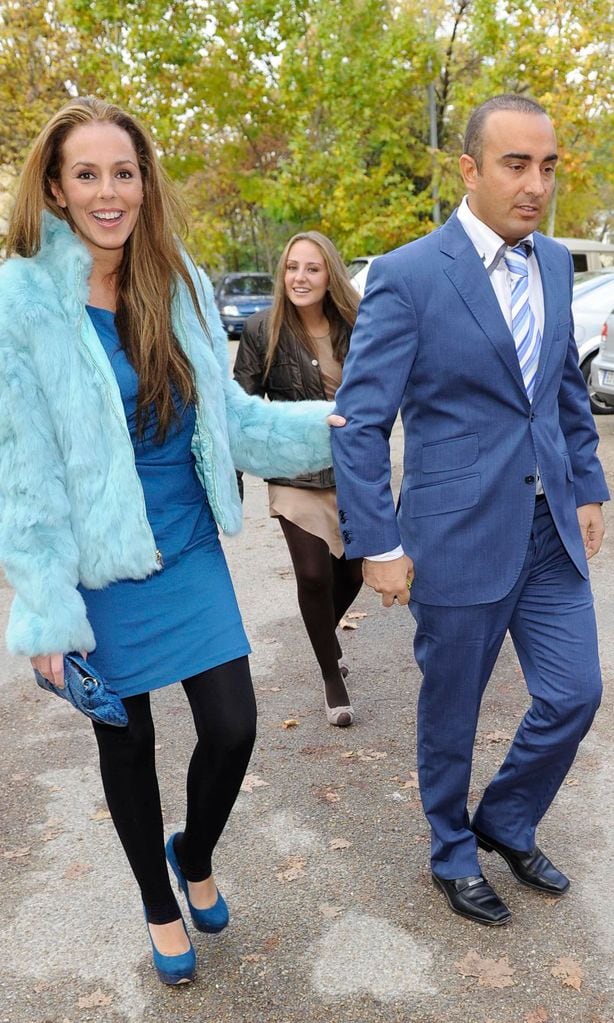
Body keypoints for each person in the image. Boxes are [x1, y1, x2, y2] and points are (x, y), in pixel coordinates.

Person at [0, 97, 345, 984]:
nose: (109, 191)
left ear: (145, 182)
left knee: (233, 727)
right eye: (88, 174)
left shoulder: (181, 280)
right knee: (128, 743)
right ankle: (160, 901)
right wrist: (46, 611)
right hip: (98, 562)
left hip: (186, 541)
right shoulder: (21, 300)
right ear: (55, 186)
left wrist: (330, 427)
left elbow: (229, 423)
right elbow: (23, 469)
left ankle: (194, 850)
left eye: (124, 172)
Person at [331, 94, 609, 926]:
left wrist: (589, 483)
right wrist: (377, 540)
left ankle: (507, 817)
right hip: (454, 537)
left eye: (548, 166)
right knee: (451, 709)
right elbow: (361, 419)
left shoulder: (557, 264)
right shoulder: (410, 275)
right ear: (469, 169)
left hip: (548, 527)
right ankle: (451, 847)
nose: (535, 184)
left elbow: (561, 388)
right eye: (515, 164)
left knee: (575, 693)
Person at [234, 231, 363, 727]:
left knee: (353, 573)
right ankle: (332, 675)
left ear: (330, 274)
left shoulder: (358, 325)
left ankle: (323, 638)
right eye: (292, 268)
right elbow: (240, 409)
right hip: (293, 471)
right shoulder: (261, 330)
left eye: (311, 268)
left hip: (352, 470)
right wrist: (234, 475)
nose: (300, 278)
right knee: (313, 573)